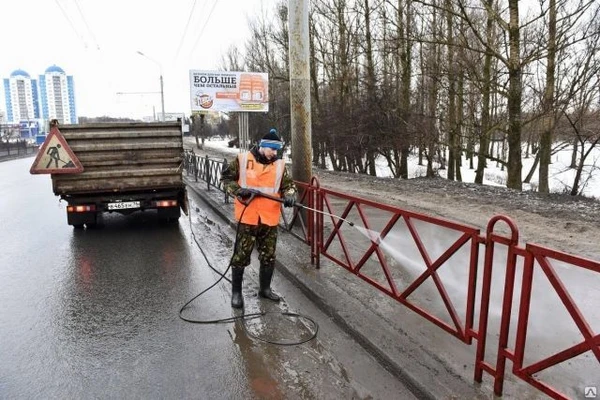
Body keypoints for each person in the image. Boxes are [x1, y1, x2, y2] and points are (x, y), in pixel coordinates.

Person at [220, 128, 297, 308]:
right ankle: (237, 293)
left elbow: (288, 185)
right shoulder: (242, 159)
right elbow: (225, 179)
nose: (274, 153)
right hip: (248, 217)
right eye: (272, 149)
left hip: (269, 219)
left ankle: (265, 289)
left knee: (268, 256)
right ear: (263, 147)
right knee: (241, 256)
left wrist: (291, 194)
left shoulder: (279, 165)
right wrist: (239, 190)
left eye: (276, 150)